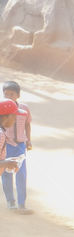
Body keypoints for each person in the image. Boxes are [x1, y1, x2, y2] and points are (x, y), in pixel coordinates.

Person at [1, 82, 31, 212]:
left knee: (21, 173)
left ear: (18, 95)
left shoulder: (24, 109)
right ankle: (10, 201)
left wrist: (29, 140)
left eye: (11, 94)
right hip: (6, 145)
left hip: (20, 145)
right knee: (6, 173)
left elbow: (27, 125)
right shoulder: (2, 107)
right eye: (6, 94)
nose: (8, 96)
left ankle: (22, 203)